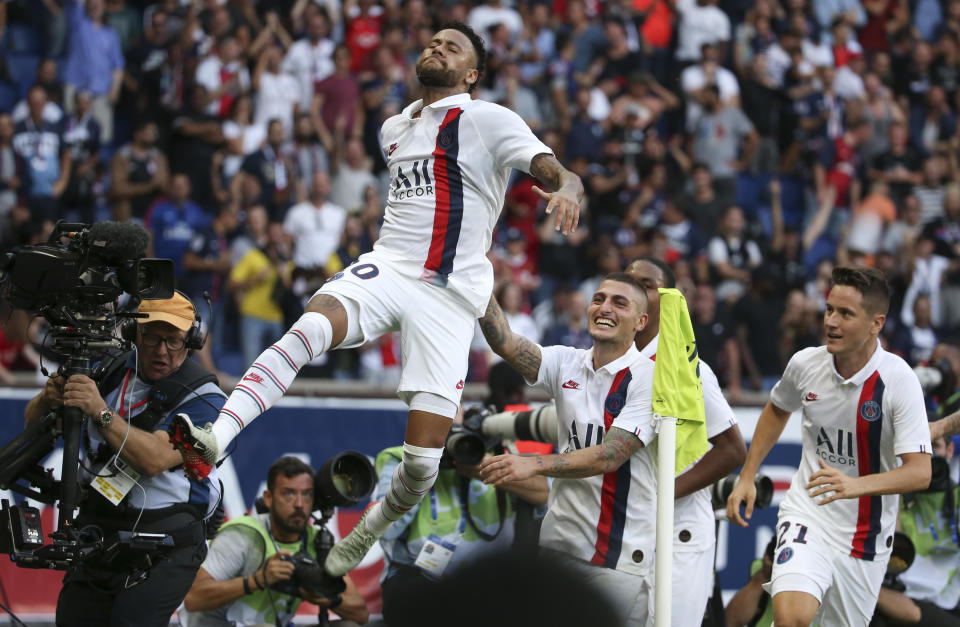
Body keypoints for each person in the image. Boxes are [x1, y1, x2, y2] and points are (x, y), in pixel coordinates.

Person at [170, 21, 583, 580]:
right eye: (433, 40)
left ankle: (371, 525)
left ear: (471, 74)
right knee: (307, 329)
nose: (436, 47)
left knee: (421, 465)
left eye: (452, 46)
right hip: (387, 266)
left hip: (447, 297)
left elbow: (554, 169)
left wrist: (568, 187)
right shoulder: (395, 127)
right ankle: (216, 436)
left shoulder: (488, 119)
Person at [726, 265, 933, 627]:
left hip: (865, 539)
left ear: (876, 323)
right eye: (829, 309)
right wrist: (747, 474)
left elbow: (920, 472)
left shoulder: (899, 381)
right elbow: (777, 409)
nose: (831, 322)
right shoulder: (806, 364)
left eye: (846, 314)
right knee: (791, 619)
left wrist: (855, 486)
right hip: (809, 512)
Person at [23, 292, 226, 627]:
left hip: (166, 544)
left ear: (191, 342)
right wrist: (48, 399)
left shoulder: (205, 398)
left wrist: (100, 412)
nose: (162, 351)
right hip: (99, 531)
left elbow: (156, 459)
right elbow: (34, 429)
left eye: (174, 341)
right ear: (135, 335)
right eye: (152, 339)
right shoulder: (108, 369)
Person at [476, 272, 660, 626]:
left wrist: (534, 464)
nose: (604, 308)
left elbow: (610, 456)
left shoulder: (649, 378)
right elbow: (506, 344)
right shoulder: (566, 361)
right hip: (558, 546)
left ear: (641, 322)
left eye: (619, 303)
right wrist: (478, 280)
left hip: (615, 558)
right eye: (599, 298)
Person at [626, 257, 746, 627]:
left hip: (679, 530)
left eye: (647, 285)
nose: (635, 291)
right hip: (630, 528)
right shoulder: (613, 359)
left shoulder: (688, 367)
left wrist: (664, 494)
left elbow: (732, 449)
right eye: (627, 282)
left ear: (669, 299)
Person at [376, 423, 549, 626]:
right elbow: (386, 528)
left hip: (492, 581)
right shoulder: (400, 457)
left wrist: (485, 467)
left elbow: (545, 494)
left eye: (456, 414)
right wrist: (421, 470)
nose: (448, 424)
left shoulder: (496, 452)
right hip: (423, 580)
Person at [183, 457, 369, 626]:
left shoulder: (316, 541)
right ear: (268, 498)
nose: (298, 504)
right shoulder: (242, 535)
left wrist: (329, 600)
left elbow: (361, 614)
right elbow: (193, 599)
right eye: (289, 493)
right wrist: (258, 580)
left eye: (306, 494)